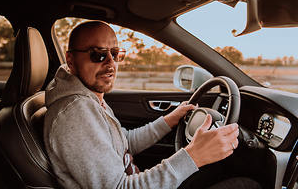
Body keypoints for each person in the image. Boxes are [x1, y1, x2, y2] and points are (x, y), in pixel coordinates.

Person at [43, 21, 261, 188]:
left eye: (115, 54)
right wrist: (194, 155)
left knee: (222, 172)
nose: (110, 64)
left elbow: (122, 141)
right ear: (70, 60)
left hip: (137, 179)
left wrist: (168, 120)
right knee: (248, 185)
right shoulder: (74, 112)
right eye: (97, 54)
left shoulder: (89, 95)